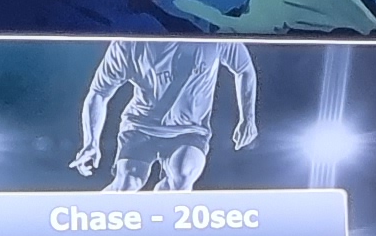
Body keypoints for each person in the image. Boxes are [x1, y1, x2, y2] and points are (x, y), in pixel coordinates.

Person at [73, 39, 257, 191]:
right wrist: (91, 143)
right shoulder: (128, 44)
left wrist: (247, 119)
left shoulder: (212, 37)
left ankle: (161, 214)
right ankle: (93, 214)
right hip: (140, 127)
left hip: (189, 130)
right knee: (128, 183)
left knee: (183, 175)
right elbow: (98, 93)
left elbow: (244, 69)